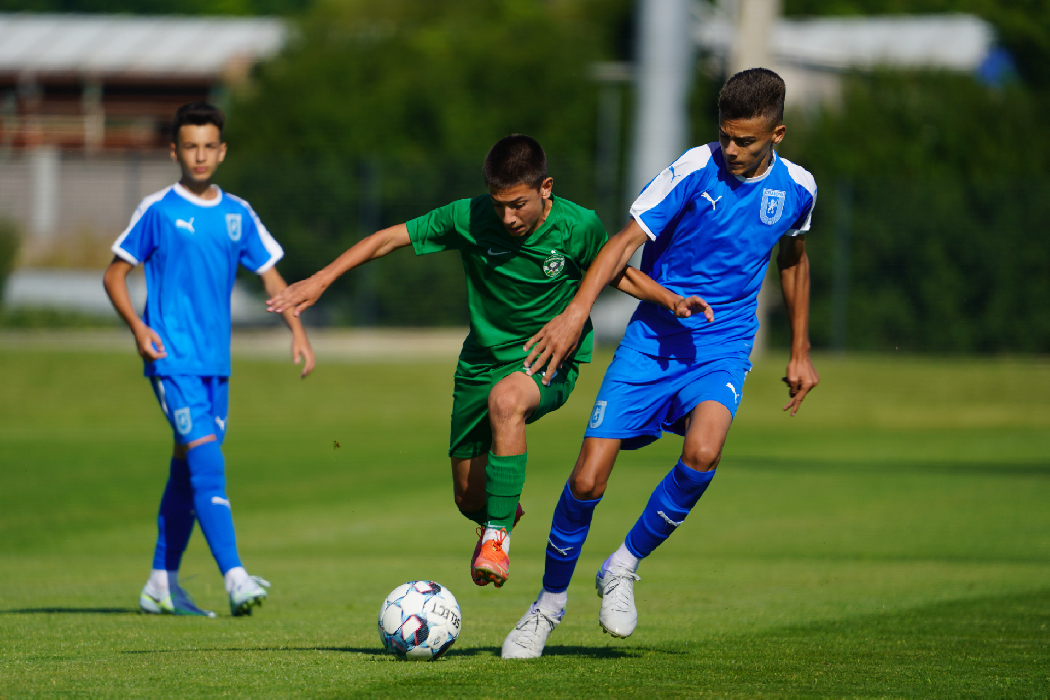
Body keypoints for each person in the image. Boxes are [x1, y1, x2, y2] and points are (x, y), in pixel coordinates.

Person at [266, 134, 688, 589]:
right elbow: (389, 239)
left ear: (546, 187)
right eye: (499, 205)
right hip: (479, 363)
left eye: (518, 204)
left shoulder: (578, 226)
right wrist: (321, 279)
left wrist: (669, 299)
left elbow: (617, 274)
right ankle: (500, 514)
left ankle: (496, 538)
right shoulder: (467, 216)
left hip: (546, 359)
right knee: (469, 497)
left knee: (507, 401)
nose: (508, 217)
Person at [500, 68, 820, 658]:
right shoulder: (694, 168)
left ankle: (622, 565)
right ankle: (547, 605)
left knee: (703, 453)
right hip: (652, 340)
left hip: (723, 344)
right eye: (725, 135)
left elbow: (794, 259)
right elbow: (622, 243)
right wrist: (576, 313)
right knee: (588, 478)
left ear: (777, 134)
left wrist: (800, 350)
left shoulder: (799, 188)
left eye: (745, 140)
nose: (731, 149)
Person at [103, 101, 316, 617]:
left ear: (221, 152)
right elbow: (114, 275)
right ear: (174, 151)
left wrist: (298, 331)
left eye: (208, 146)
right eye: (189, 146)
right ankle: (235, 576)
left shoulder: (238, 214)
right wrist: (139, 329)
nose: (199, 155)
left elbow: (271, 276)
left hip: (216, 366)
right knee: (207, 462)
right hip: (171, 358)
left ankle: (161, 583)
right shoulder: (158, 210)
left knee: (188, 471)